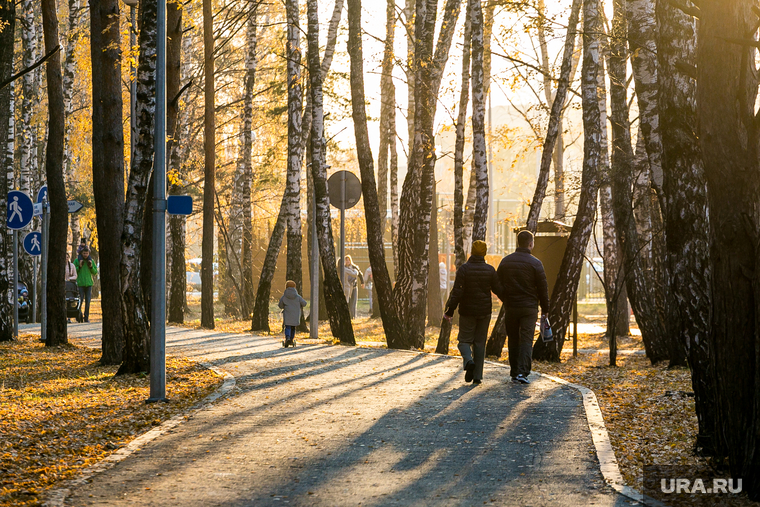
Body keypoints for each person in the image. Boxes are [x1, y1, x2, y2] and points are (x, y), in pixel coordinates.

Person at [444, 240, 503, 385]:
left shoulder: (464, 269)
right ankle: (477, 376)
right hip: (484, 312)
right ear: (484, 253)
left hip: (467, 311)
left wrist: (450, 311)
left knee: (463, 341)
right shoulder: (490, 270)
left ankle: (469, 361)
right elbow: (498, 290)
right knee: (480, 343)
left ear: (471, 252)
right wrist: (510, 300)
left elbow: (457, 292)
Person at [497, 230, 549, 385]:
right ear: (531, 243)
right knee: (526, 339)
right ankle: (523, 372)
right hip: (529, 308)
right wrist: (545, 308)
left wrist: (505, 298)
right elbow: (543, 287)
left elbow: (496, 283)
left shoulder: (506, 261)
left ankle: (514, 372)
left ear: (518, 242)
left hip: (511, 307)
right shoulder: (536, 263)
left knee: (513, 338)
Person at [278, 280, 307, 347]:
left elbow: (280, 305)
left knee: (287, 326)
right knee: (293, 327)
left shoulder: (284, 297)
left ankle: (287, 337)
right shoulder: (298, 297)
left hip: (287, 314)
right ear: (294, 287)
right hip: (295, 314)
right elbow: (304, 303)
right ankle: (291, 339)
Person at [75, 247, 98, 322]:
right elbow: (74, 271)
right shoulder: (77, 260)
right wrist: (80, 266)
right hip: (80, 284)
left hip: (88, 284)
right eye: (84, 253)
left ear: (89, 253)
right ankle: (79, 316)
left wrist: (91, 267)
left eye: (87, 253)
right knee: (80, 301)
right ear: (81, 253)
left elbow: (95, 272)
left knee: (88, 301)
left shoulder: (91, 261)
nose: (85, 255)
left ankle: (86, 317)